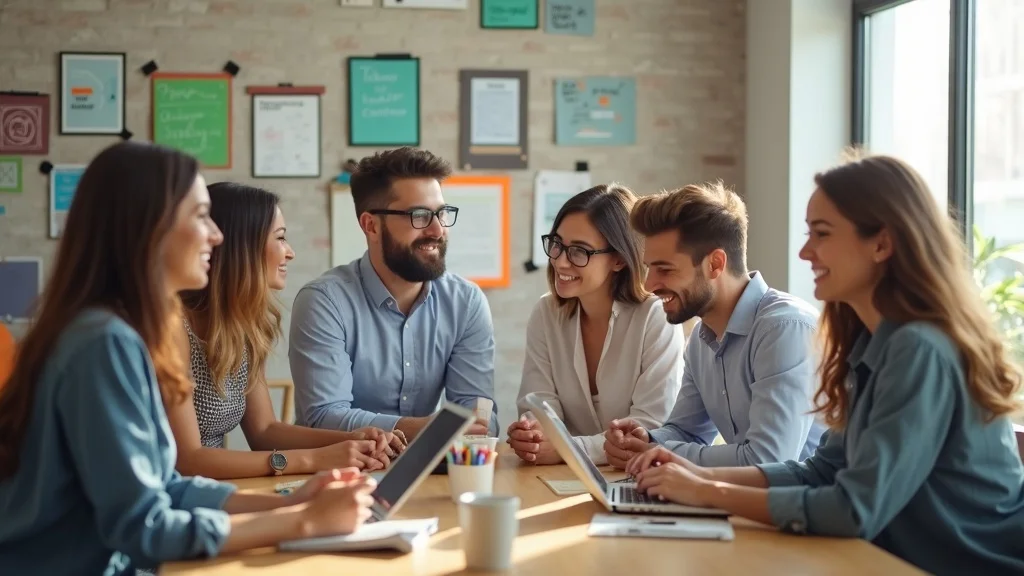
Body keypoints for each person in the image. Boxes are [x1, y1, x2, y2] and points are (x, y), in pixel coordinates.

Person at [626, 152, 1024, 575]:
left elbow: (852, 507)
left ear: (882, 243)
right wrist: (691, 476)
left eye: (821, 234)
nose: (804, 252)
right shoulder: (869, 341)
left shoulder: (919, 349)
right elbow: (823, 469)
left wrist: (709, 491)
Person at [0, 142, 377, 575]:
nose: (216, 237)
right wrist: (302, 520)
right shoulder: (103, 343)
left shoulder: (111, 331)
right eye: (201, 217)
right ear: (150, 229)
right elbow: (145, 529)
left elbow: (165, 487)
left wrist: (294, 501)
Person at [169, 182, 405, 480]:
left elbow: (264, 430)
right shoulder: (173, 327)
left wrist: (351, 439)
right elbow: (188, 459)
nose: (290, 252)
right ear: (242, 246)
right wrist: (313, 459)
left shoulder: (244, 329)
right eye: (280, 238)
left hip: (212, 492)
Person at [604, 181, 826, 469]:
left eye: (665, 269)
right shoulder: (701, 339)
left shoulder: (784, 330)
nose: (649, 284)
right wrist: (645, 441)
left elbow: (768, 460)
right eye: (649, 268)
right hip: (748, 503)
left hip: (805, 509)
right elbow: (688, 432)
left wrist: (662, 453)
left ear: (715, 264)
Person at [289, 147, 497, 440]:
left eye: (441, 213)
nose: (437, 230)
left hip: (432, 471)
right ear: (371, 225)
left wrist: (477, 425)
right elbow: (323, 416)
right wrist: (425, 429)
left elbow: (479, 414)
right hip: (341, 472)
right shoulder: (324, 302)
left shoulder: (466, 301)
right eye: (419, 215)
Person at [508, 184, 684, 466]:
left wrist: (567, 449)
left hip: (636, 476)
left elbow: (649, 426)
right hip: (561, 478)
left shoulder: (655, 316)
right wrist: (534, 435)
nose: (560, 261)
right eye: (557, 244)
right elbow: (537, 402)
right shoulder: (546, 313)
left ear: (618, 259)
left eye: (579, 251)